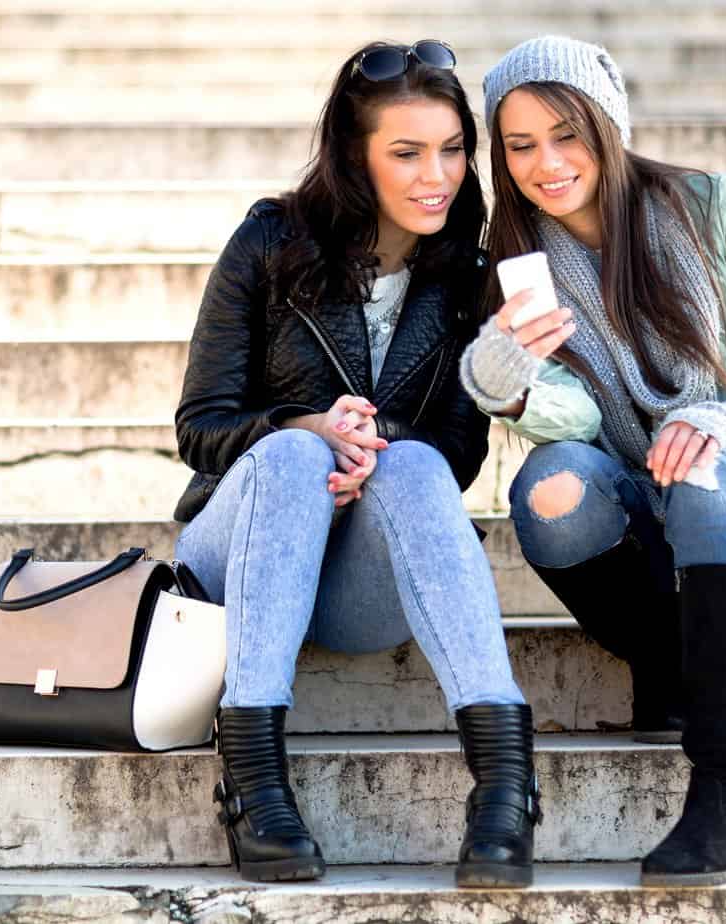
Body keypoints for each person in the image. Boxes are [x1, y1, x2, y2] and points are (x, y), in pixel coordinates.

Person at [460, 35, 726, 886]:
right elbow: (577, 421)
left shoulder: (708, 206)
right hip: (638, 516)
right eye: (519, 145)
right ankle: (663, 660)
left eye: (566, 134)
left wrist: (720, 424)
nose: (546, 164)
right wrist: (502, 378)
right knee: (549, 488)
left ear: (608, 125)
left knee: (694, 470)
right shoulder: (517, 269)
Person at [173, 40, 541, 888]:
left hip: (358, 591)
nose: (435, 176)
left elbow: (458, 452)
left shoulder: (465, 278)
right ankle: (256, 781)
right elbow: (200, 427)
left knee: (415, 468)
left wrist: (373, 458)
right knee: (296, 453)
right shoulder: (272, 242)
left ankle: (506, 787)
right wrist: (304, 427)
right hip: (238, 559)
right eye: (406, 154)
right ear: (353, 158)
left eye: (451, 150)